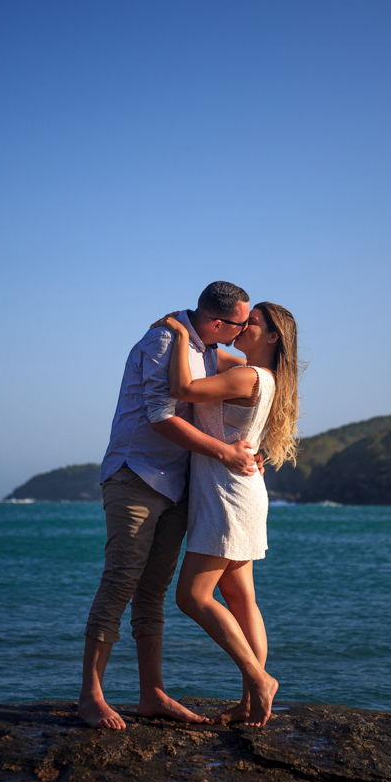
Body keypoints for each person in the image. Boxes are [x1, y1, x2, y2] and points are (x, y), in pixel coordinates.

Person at [78, 281, 262, 730]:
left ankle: (152, 695)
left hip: (177, 484)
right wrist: (225, 454)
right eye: (241, 324)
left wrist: (254, 440)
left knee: (153, 593)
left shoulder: (210, 348)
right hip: (135, 475)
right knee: (120, 582)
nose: (241, 334)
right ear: (219, 322)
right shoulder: (163, 340)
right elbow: (160, 416)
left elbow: (255, 376)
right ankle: (90, 697)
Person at [155, 301, 300, 727]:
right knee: (240, 597)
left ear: (272, 337)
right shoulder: (264, 375)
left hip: (227, 496)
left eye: (251, 323)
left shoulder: (248, 376)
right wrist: (204, 338)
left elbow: (182, 389)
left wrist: (182, 334)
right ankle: (250, 702)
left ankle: (259, 680)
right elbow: (218, 353)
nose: (241, 326)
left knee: (192, 597)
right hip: (242, 492)